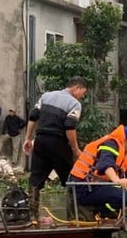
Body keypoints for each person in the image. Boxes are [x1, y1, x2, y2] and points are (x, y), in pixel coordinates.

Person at [23, 76, 88, 223]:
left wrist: (28, 139)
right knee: (71, 179)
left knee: (35, 180)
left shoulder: (46, 96)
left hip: (40, 141)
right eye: (83, 92)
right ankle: (74, 217)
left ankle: (32, 217)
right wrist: (75, 149)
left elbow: (33, 116)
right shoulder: (74, 104)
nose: (82, 96)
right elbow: (70, 127)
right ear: (76, 87)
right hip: (58, 143)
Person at [69, 125, 127, 220]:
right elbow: (105, 165)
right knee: (126, 196)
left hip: (94, 187)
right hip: (82, 187)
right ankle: (104, 211)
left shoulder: (124, 156)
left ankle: (109, 212)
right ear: (126, 140)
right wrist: (117, 181)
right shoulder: (110, 143)